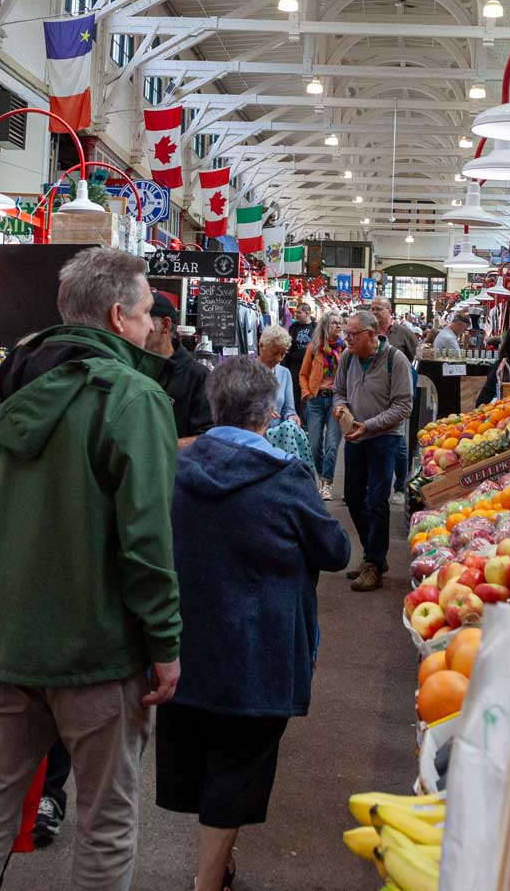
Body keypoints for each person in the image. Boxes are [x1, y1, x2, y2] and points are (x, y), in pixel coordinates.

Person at [0, 248, 181, 891]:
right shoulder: (135, 397)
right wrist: (165, 643)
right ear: (116, 315)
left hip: (2, 639)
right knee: (107, 818)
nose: (153, 324)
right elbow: (147, 538)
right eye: (148, 310)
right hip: (97, 647)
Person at [156, 356, 351, 891]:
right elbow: (335, 551)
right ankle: (207, 880)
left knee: (209, 764)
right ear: (269, 414)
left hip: (185, 644)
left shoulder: (174, 467)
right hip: (258, 650)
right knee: (237, 769)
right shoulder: (285, 476)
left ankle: (220, 865)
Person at [335, 308, 413, 592]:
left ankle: (374, 563)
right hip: (356, 437)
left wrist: (369, 425)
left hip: (384, 439)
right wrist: (340, 407)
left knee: (377, 501)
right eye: (346, 334)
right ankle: (373, 556)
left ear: (371, 335)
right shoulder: (347, 358)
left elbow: (404, 406)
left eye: (352, 334)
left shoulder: (396, 360)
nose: (347, 339)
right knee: (354, 497)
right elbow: (339, 391)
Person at [148, 290, 214, 446]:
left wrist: (159, 449)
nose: (140, 327)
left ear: (165, 325)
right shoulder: (131, 366)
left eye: (145, 319)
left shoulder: (198, 376)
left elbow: (208, 437)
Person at [297, 310, 344, 500]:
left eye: (340, 323)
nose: (338, 326)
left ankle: (326, 483)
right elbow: (303, 374)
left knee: (332, 444)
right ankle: (319, 474)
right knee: (315, 444)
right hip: (315, 400)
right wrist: (307, 394)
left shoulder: (346, 349)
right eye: (334, 323)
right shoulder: (314, 348)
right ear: (325, 326)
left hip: (336, 400)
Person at [255, 324, 298, 425]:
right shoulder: (246, 372)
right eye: (274, 353)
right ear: (261, 346)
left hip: (276, 437)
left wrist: (292, 416)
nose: (279, 359)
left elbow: (288, 409)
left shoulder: (285, 374)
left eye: (283, 354)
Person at [371, 296, 419, 364]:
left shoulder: (405, 333)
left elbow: (417, 359)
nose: (374, 312)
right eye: (372, 309)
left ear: (389, 310)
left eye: (378, 309)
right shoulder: (368, 332)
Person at [283, 301, 316, 380]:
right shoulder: (294, 327)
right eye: (296, 312)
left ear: (307, 313)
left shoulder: (315, 327)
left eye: (299, 312)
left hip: (310, 365)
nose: (296, 315)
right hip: (294, 365)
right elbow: (288, 344)